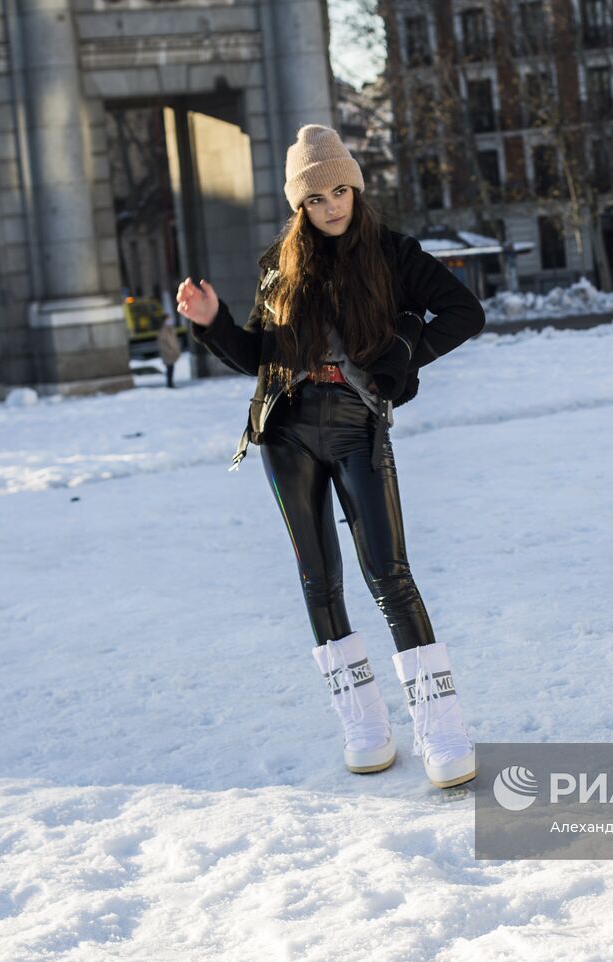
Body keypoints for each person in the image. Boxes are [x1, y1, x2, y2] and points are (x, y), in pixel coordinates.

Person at [175, 125, 485, 788]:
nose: (332, 205)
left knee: (389, 573)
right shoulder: (279, 265)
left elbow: (464, 312)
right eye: (317, 197)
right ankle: (365, 726)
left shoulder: (394, 254)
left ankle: (442, 730)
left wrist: (403, 355)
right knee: (318, 581)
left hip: (355, 425)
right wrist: (212, 323)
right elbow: (258, 357)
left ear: (355, 187)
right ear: (300, 205)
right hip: (286, 431)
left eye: (340, 189)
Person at [156, 313, 181, 388]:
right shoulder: (163, 330)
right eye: (168, 319)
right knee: (170, 368)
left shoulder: (170, 328)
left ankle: (170, 383)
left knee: (171, 368)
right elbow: (162, 343)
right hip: (167, 353)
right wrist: (169, 351)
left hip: (172, 352)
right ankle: (169, 383)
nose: (170, 320)